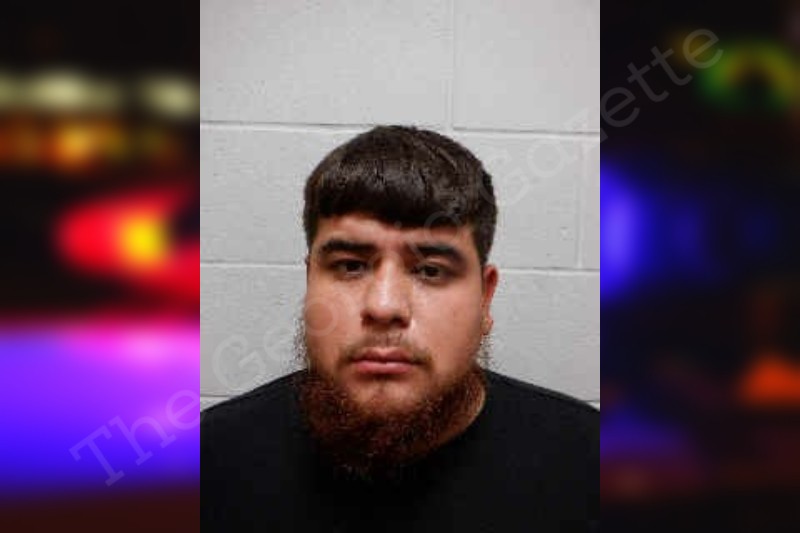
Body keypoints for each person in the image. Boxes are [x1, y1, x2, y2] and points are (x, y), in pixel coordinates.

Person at [201, 126, 598, 532]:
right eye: (350, 266)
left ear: (485, 298)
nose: (384, 306)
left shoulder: (590, 464)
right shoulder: (207, 463)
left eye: (430, 271)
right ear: (309, 281)